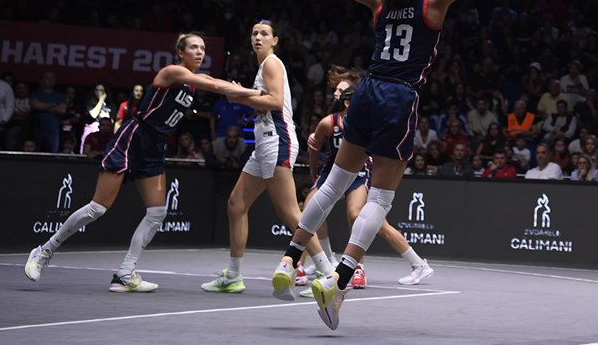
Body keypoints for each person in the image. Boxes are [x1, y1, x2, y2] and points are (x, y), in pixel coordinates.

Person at [287, 0, 554, 330]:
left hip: (367, 88)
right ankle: (337, 280)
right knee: (381, 198)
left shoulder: (379, 0)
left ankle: (293, 258)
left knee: (334, 182)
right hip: (397, 96)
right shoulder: (433, 3)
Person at [24, 32, 263, 292]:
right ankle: (43, 251)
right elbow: (218, 87)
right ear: (180, 53)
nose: (199, 52)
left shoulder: (195, 81)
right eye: (193, 47)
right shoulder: (172, 72)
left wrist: (249, 97)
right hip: (135, 138)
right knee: (98, 208)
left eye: (203, 48)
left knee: (157, 212)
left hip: (155, 146)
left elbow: (220, 86)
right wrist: (253, 90)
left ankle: (126, 273)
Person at [283, 67, 434, 296]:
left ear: (351, 98)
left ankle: (367, 267)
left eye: (341, 90)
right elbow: (315, 150)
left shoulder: (367, 114)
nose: (336, 93)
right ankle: (321, 263)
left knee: (362, 217)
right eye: (335, 90)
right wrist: (315, 177)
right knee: (314, 206)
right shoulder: (329, 122)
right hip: (333, 172)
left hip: (360, 174)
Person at [202, 20, 302, 296]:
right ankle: (233, 276)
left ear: (275, 40)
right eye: (254, 33)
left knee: (290, 212)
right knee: (236, 204)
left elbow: (274, 101)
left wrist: (242, 96)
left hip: (277, 140)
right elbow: (263, 101)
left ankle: (326, 270)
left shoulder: (271, 63)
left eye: (264, 33)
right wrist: (243, 94)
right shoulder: (262, 67)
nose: (258, 37)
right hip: (262, 145)